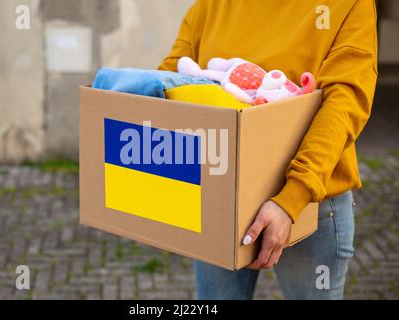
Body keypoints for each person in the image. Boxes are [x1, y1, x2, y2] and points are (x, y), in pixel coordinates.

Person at [158, 0, 378, 300]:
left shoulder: (347, 4)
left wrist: (292, 198)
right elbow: (170, 77)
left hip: (311, 205)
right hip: (219, 195)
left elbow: (344, 104)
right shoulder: (211, 5)